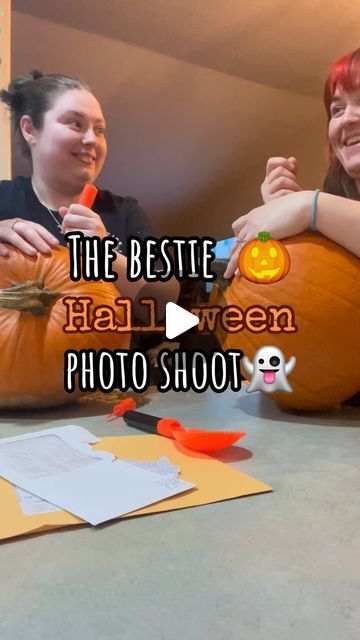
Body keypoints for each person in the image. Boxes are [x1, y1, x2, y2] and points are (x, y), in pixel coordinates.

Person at [0, 71, 179, 319]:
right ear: (30, 129)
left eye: (99, 129)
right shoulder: (3, 198)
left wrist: (105, 256)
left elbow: (165, 307)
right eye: (76, 123)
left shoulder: (123, 210)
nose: (91, 139)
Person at [224, 48, 360, 278]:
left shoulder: (313, 206)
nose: (346, 118)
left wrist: (309, 207)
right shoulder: (336, 191)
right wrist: (291, 218)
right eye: (337, 110)